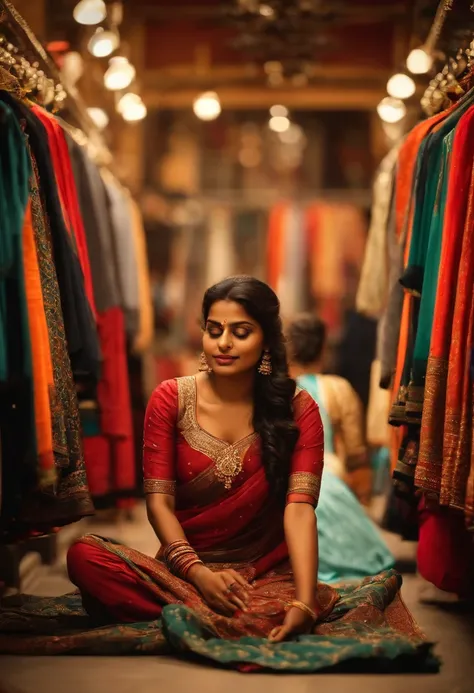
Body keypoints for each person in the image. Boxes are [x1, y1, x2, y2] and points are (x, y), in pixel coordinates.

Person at [0, 277, 434, 671]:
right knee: (84, 556)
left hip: (265, 577)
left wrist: (303, 601)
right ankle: (215, 613)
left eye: (240, 332)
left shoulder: (299, 412)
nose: (223, 343)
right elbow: (159, 505)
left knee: (287, 604)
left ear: (266, 341)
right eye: (214, 329)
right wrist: (200, 576)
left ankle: (212, 615)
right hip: (184, 571)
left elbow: (300, 511)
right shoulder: (171, 399)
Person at [287, 313, 394, 583]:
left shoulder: (275, 389)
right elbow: (357, 452)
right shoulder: (338, 388)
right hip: (329, 480)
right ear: (324, 348)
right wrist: (360, 501)